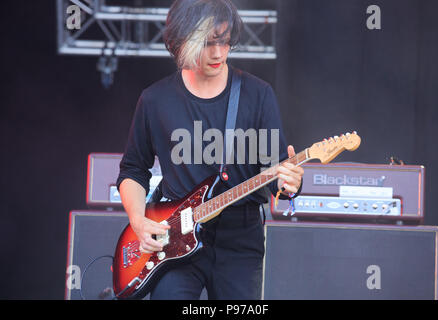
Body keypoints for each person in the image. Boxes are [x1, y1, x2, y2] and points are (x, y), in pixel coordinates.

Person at [116, 0, 304, 300]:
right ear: (181, 41)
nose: (219, 53)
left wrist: (289, 184)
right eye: (208, 43)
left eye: (225, 41)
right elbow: (133, 170)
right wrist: (139, 221)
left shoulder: (257, 95)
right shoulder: (155, 100)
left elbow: (277, 173)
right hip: (174, 237)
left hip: (239, 241)